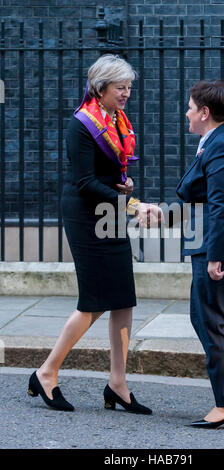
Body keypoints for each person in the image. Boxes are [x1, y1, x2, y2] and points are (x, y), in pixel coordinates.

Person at [27, 54, 152, 415]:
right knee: (94, 301)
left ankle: (117, 383)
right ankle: (46, 372)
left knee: (123, 299)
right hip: (85, 215)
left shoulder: (114, 119)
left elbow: (107, 173)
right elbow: (84, 182)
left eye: (129, 87)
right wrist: (132, 204)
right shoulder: (81, 125)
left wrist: (124, 184)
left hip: (108, 210)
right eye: (120, 87)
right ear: (100, 88)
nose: (127, 93)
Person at [139, 80, 224, 429]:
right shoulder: (213, 143)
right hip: (213, 241)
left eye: (190, 107)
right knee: (204, 318)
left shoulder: (221, 147)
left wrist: (214, 256)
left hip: (220, 247)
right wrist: (164, 213)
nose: (187, 113)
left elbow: (223, 207)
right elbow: (203, 200)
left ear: (205, 113)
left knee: (211, 321)